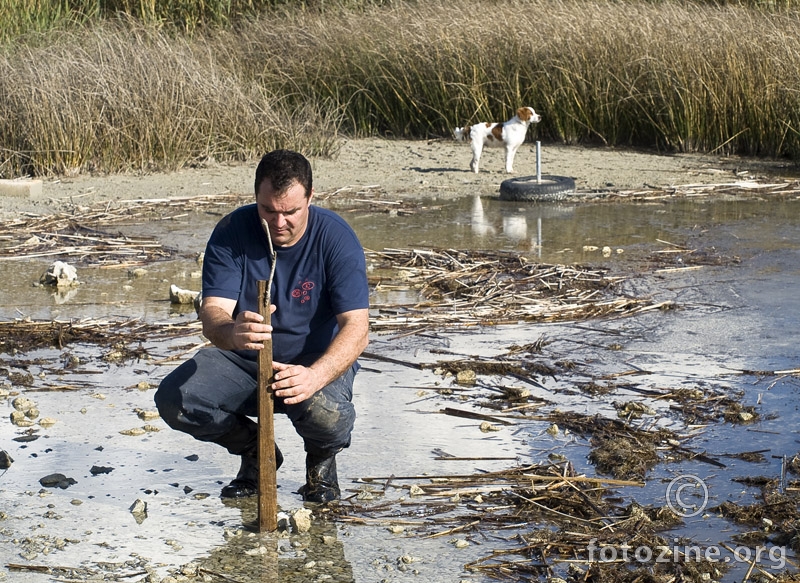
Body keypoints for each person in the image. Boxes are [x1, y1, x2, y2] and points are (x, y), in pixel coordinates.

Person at [154, 149, 370, 503]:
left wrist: (315, 375)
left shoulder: (336, 238)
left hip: (314, 360)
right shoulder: (231, 232)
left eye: (290, 212)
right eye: (268, 210)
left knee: (325, 415)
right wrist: (231, 330)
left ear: (310, 198)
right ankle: (257, 453)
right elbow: (213, 315)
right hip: (245, 358)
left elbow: (357, 329)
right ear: (256, 197)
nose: (278, 223)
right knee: (175, 399)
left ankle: (320, 463)